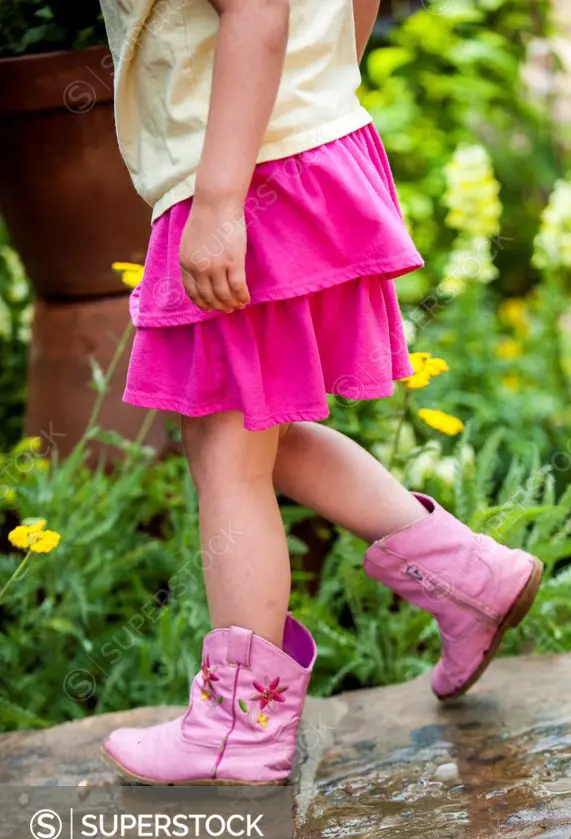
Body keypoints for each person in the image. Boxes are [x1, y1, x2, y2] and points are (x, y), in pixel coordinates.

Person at [99, 0, 542, 785]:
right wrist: (319, 81)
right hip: (299, 153)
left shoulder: (229, 185)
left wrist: (220, 200)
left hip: (246, 174)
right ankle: (469, 578)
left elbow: (259, 13)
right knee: (245, 432)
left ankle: (240, 728)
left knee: (225, 453)